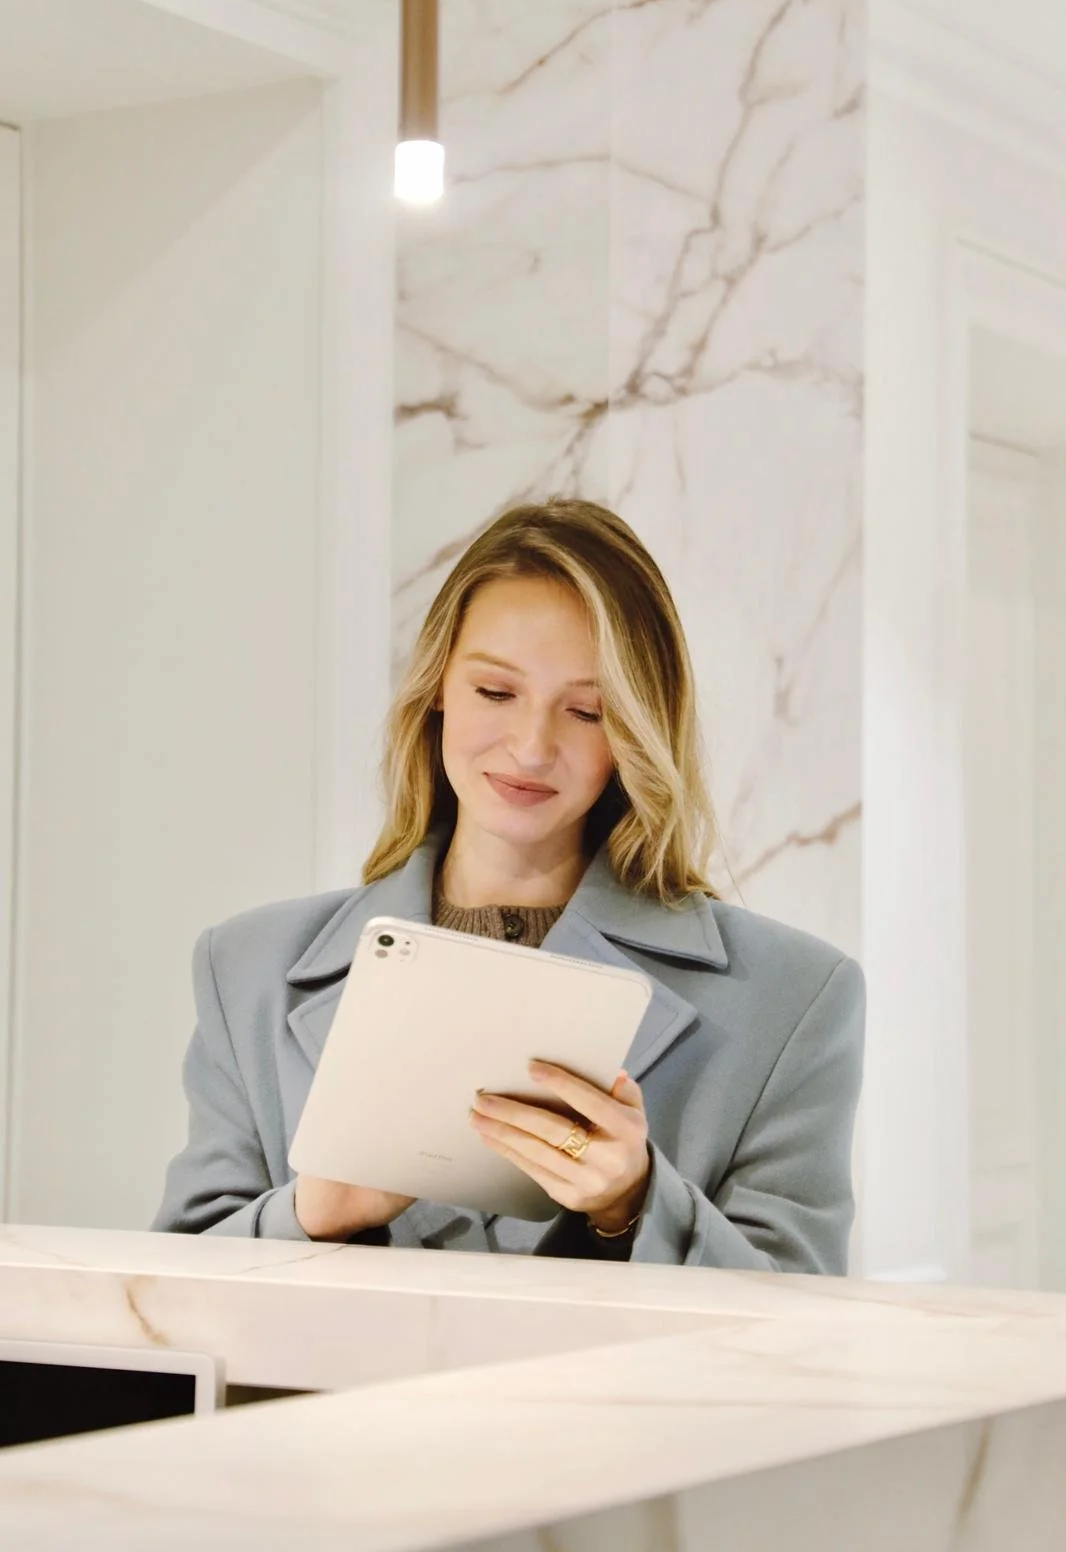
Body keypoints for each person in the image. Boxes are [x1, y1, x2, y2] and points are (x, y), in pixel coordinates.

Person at [153, 499, 864, 1270]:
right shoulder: (246, 969)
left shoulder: (796, 998)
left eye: (587, 711)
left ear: (636, 731)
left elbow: (801, 1332)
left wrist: (637, 1205)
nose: (530, 749)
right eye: (496, 693)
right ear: (437, 689)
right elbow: (167, 1303)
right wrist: (312, 1212)